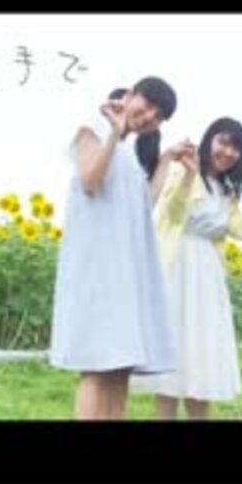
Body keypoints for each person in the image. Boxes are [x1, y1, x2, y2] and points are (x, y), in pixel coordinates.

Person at [48, 77, 186, 420]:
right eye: (148, 105)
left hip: (123, 271)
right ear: (130, 95)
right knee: (96, 365)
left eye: (158, 116)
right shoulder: (92, 128)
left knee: (119, 366)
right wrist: (114, 131)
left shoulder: (129, 154)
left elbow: (144, 205)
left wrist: (166, 160)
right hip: (97, 266)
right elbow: (89, 181)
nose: (149, 116)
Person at [133, 117, 242, 419]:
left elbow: (240, 230)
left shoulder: (228, 191)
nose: (228, 152)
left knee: (202, 359)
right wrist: (188, 176)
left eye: (236, 147)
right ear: (209, 140)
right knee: (171, 361)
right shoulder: (181, 170)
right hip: (175, 270)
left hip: (208, 276)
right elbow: (171, 214)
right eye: (223, 142)